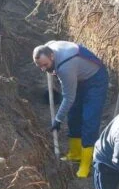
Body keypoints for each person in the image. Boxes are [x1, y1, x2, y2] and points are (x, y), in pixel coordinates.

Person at [33, 40, 109, 178]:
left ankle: (86, 163)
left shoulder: (65, 68)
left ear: (52, 56)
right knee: (73, 115)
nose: (43, 69)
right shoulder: (48, 48)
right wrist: (47, 66)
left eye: (45, 65)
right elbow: (50, 43)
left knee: (89, 119)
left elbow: (68, 98)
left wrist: (57, 119)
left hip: (95, 79)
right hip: (79, 77)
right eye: (40, 66)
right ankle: (75, 153)